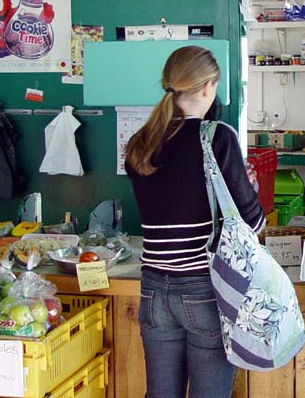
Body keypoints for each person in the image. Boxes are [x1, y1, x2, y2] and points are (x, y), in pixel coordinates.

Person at [125, 46, 265, 398]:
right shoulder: (217, 136)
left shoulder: (140, 143)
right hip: (203, 288)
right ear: (207, 87)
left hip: (153, 289)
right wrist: (248, 187)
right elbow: (252, 224)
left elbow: (172, 200)